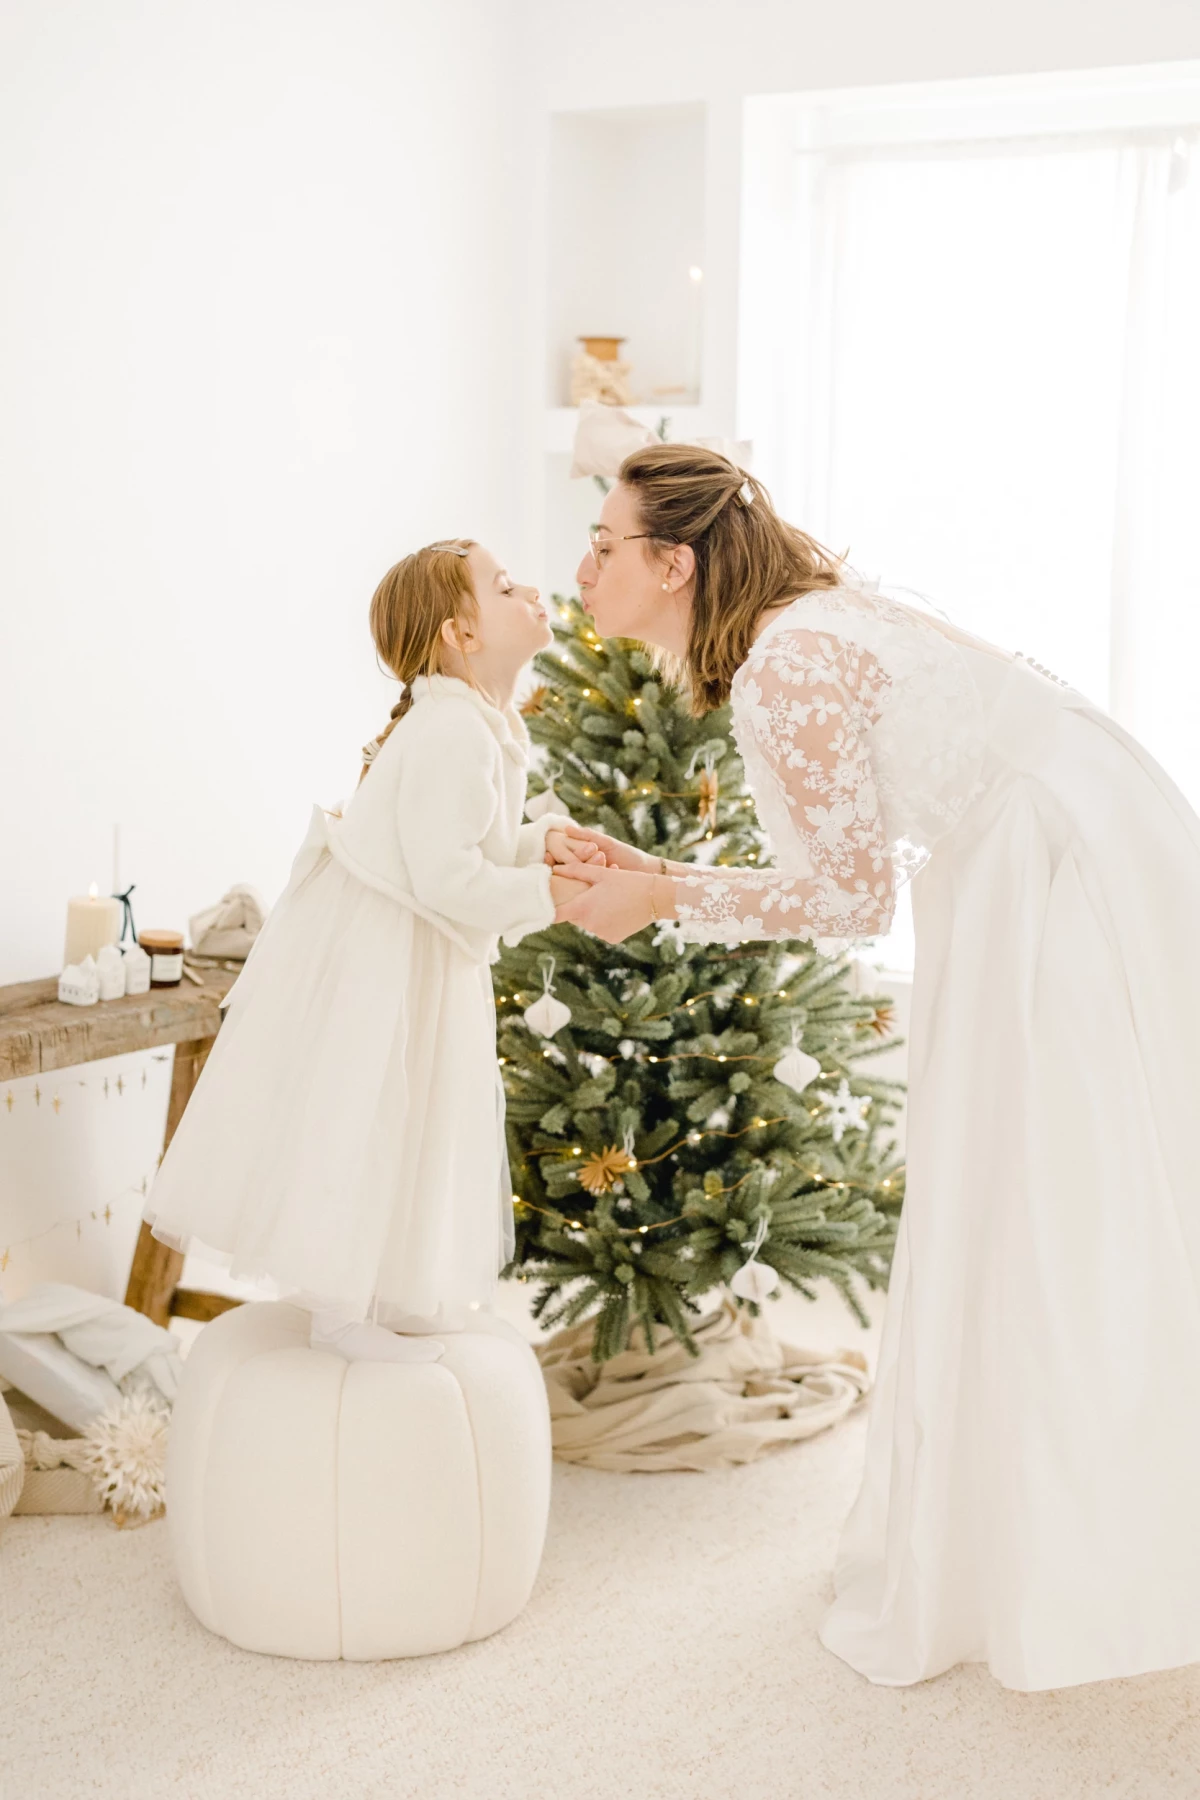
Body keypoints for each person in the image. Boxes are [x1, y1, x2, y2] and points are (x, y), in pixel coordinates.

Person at [550, 441, 1200, 1693]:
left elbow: (847, 901)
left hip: (1055, 871)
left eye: (603, 543)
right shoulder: (803, 629)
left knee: (1055, 1196)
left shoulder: (788, 663)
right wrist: (655, 883)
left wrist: (657, 893)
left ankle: (1084, 1554)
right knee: (1047, 1193)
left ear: (673, 564)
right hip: (1057, 832)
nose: (581, 567)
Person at [142, 539, 598, 1365]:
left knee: (415, 1118)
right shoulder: (452, 729)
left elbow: (468, 847)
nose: (531, 587)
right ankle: (340, 1307)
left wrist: (540, 846)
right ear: (462, 633)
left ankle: (388, 1290)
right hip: (389, 963)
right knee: (374, 1119)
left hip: (419, 953)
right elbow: (450, 878)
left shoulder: (474, 722)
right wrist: (550, 893)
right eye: (503, 585)